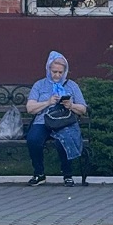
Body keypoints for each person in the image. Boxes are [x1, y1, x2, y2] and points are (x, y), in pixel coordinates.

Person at [25, 51, 88, 187]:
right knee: (33, 139)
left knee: (64, 140)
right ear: (48, 69)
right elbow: (30, 108)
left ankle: (67, 174)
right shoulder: (39, 85)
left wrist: (70, 105)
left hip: (63, 121)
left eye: (60, 72)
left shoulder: (72, 85)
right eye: (54, 72)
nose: (57, 75)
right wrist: (47, 102)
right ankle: (39, 173)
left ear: (65, 71)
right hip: (43, 120)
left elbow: (83, 109)